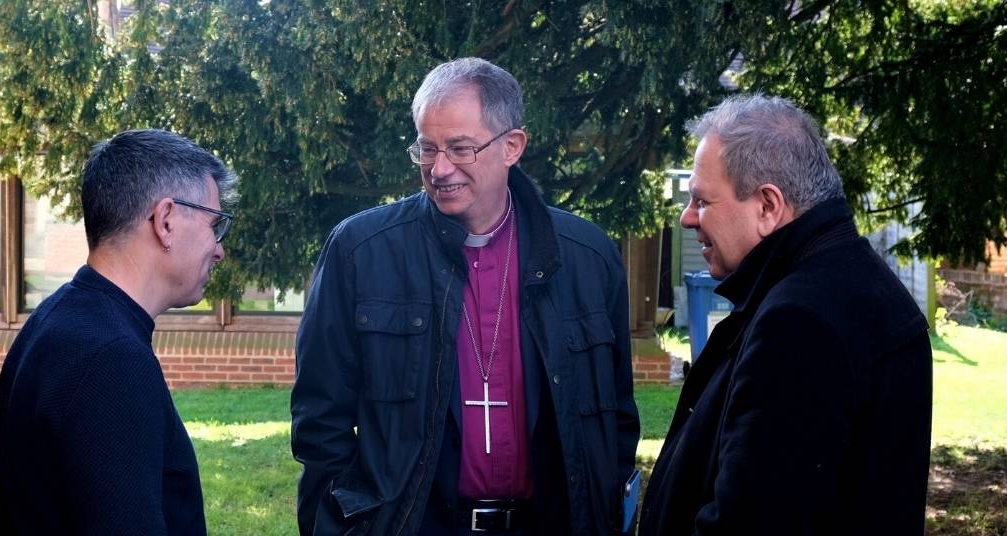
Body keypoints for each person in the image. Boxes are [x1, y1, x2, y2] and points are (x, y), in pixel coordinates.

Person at [291, 57, 640, 536]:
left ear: (512, 146)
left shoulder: (587, 255)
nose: (439, 169)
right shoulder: (360, 251)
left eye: (459, 148)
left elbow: (616, 418)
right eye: (427, 148)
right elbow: (319, 420)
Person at [637, 95, 932, 535]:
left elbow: (751, 521)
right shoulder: (854, 285)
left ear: (768, 207)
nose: (686, 218)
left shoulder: (800, 324)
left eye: (702, 201)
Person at [0, 129, 236, 535]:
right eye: (215, 224)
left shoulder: (57, 320)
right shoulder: (111, 359)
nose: (218, 248)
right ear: (166, 220)